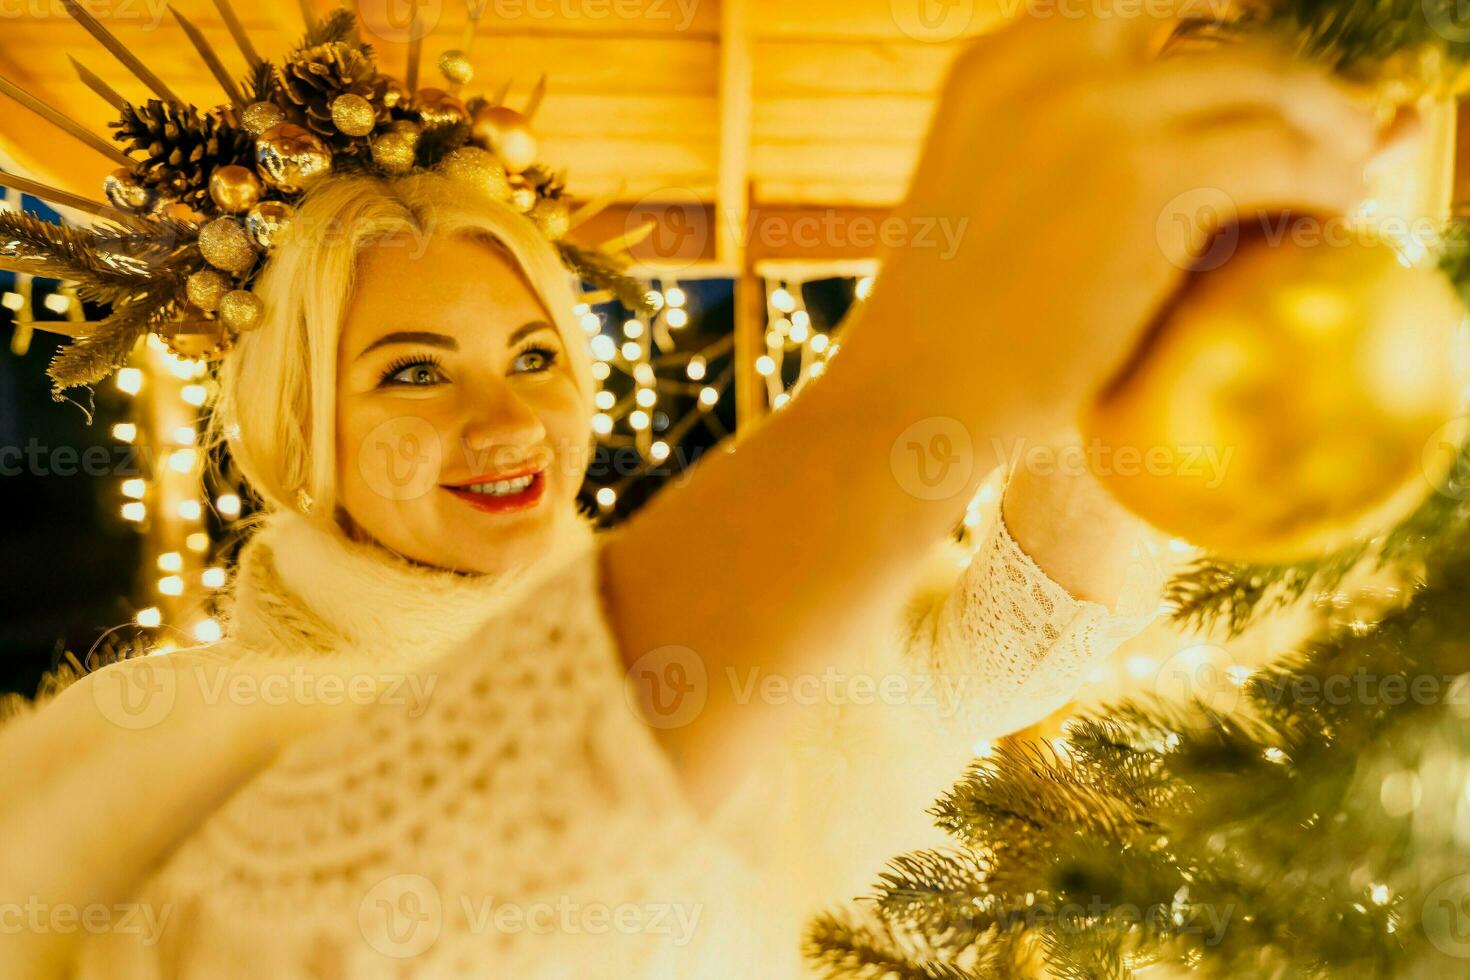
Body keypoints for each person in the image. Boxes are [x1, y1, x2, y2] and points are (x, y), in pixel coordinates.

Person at [0, 5, 1382, 977]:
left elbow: (1003, 643)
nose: (506, 419)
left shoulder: (737, 629)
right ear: (300, 431)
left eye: (534, 353)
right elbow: (353, 917)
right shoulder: (172, 750)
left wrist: (1160, 306)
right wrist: (916, 378)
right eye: (412, 374)